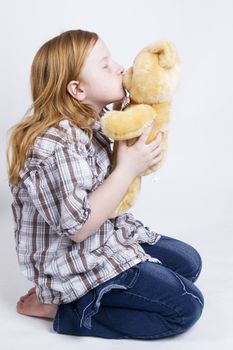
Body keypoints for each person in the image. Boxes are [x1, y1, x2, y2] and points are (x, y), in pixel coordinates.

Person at [7, 29, 204, 339]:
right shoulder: (56, 144)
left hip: (104, 236)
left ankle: (94, 296)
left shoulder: (93, 123)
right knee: (187, 307)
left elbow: (109, 189)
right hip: (71, 260)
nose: (118, 67)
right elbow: (79, 226)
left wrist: (140, 152)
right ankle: (63, 308)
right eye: (105, 64)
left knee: (189, 263)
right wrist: (126, 169)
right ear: (77, 89)